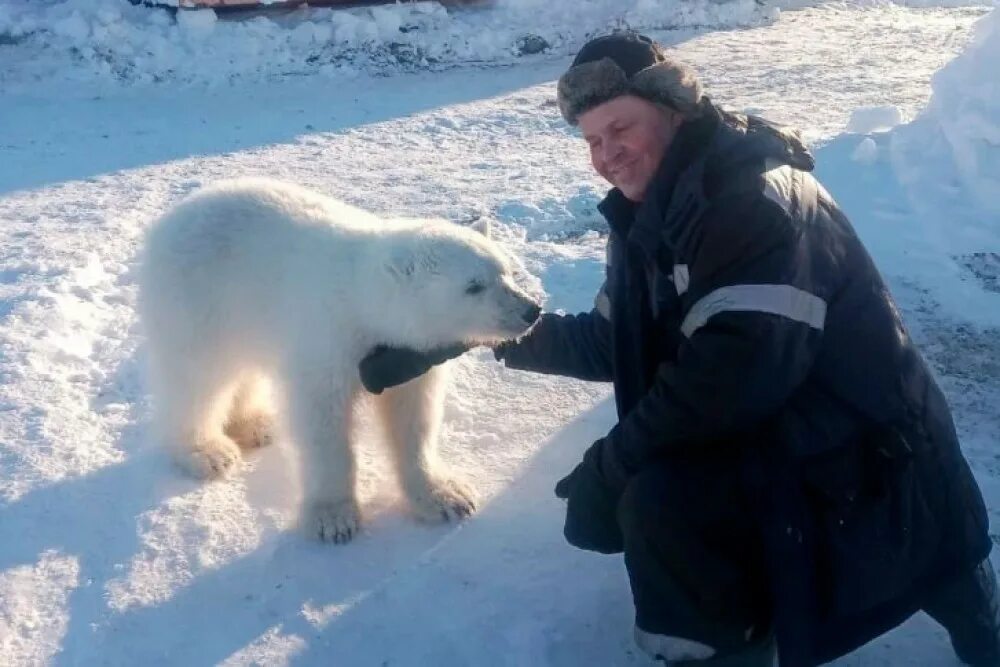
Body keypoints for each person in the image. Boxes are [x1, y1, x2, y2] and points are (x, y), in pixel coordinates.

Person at [358, 31, 999, 667]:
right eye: (592, 140)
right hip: (797, 430)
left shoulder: (749, 201)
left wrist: (614, 465)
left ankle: (725, 646)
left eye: (620, 128)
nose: (606, 154)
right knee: (656, 480)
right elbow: (615, 340)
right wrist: (474, 334)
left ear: (672, 109)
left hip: (880, 456)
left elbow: (728, 380)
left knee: (663, 500)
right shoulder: (654, 210)